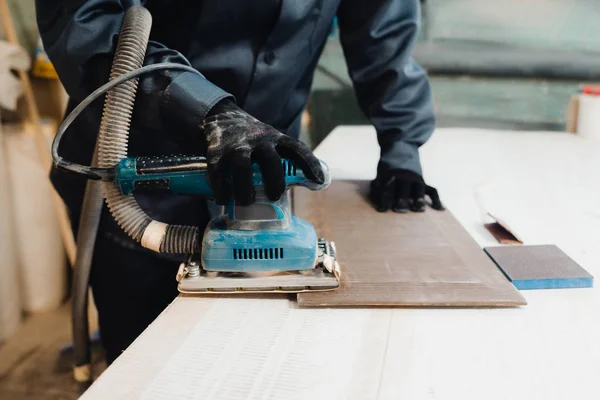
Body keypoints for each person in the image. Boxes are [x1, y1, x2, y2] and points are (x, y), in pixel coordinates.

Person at [36, 0, 443, 363]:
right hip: (136, 174)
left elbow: (383, 32)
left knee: (252, 360)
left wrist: (401, 149)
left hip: (263, 166)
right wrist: (206, 109)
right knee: (145, 361)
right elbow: (84, 22)